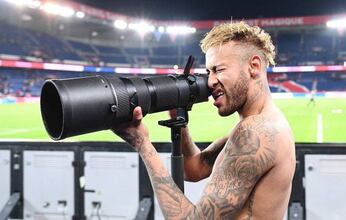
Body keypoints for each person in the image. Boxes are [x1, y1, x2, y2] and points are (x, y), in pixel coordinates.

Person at [112, 21, 296, 219]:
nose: (210, 81)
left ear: (254, 66)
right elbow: (193, 168)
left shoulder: (255, 132)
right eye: (209, 72)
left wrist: (143, 144)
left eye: (219, 70)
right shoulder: (260, 124)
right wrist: (178, 120)